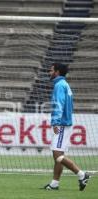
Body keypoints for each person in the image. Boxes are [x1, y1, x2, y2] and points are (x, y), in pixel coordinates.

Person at [44, 63, 90, 191]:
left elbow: (59, 104)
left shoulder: (59, 85)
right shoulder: (65, 85)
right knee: (58, 155)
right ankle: (54, 184)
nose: (49, 72)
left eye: (51, 70)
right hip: (65, 123)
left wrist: (55, 122)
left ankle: (82, 174)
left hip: (61, 124)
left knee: (58, 155)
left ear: (57, 72)